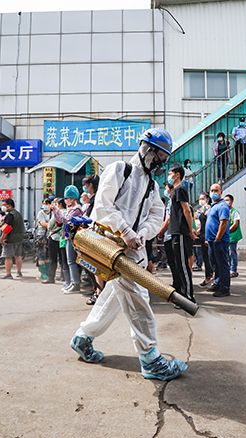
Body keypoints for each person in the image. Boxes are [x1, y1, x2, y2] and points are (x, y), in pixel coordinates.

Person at [71, 127, 189, 381]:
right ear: (147, 150)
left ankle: (83, 338)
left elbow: (157, 215)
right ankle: (151, 359)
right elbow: (103, 205)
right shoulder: (119, 170)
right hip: (110, 248)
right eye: (160, 157)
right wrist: (124, 230)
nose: (161, 163)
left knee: (113, 298)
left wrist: (143, 233)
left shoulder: (152, 185)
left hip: (133, 251)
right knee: (138, 300)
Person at [167, 165, 196, 302]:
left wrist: (190, 230)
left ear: (177, 175)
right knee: (179, 264)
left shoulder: (180, 189)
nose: (169, 176)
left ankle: (189, 296)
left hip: (181, 232)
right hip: (175, 232)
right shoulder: (176, 191)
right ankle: (184, 294)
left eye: (170, 173)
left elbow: (187, 211)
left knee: (184, 266)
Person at [53, 185, 84, 294]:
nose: (65, 200)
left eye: (67, 198)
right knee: (70, 261)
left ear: (73, 198)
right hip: (68, 236)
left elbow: (65, 220)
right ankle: (73, 282)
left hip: (73, 237)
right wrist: (56, 211)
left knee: (71, 261)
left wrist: (57, 210)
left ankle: (76, 283)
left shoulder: (76, 209)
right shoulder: (71, 209)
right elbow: (60, 220)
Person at [205, 183, 231, 297]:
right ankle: (217, 283)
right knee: (215, 264)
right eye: (212, 190)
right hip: (211, 241)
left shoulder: (223, 206)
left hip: (219, 241)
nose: (213, 193)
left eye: (216, 190)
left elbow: (223, 222)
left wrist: (217, 238)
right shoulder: (213, 206)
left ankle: (224, 288)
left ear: (221, 192)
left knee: (222, 264)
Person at [0, 198, 25, 279]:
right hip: (19, 238)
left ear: (9, 205)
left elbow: (7, 228)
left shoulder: (10, 215)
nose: (2, 207)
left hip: (10, 239)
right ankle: (19, 272)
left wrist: (2, 238)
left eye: (4, 205)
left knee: (8, 257)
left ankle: (8, 274)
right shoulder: (18, 214)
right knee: (18, 255)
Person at [196, 193, 214, 287]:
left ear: (207, 199)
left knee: (210, 259)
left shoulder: (209, 209)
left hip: (208, 237)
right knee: (206, 258)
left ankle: (212, 278)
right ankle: (208, 277)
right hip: (202, 236)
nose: (201, 200)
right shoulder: (201, 210)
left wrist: (208, 237)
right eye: (200, 199)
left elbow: (209, 225)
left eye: (202, 198)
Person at [224, 194, 242, 278]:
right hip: (226, 235)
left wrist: (226, 231)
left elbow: (235, 224)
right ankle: (228, 269)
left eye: (227, 200)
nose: (226, 202)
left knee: (232, 253)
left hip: (232, 235)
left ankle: (233, 270)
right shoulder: (225, 211)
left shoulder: (235, 212)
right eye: (225, 200)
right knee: (227, 253)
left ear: (232, 201)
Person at [34, 199, 51, 281]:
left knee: (47, 256)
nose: (44, 205)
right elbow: (42, 223)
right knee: (41, 256)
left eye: (46, 203)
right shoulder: (41, 213)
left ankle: (47, 273)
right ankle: (43, 274)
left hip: (49, 236)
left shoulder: (52, 213)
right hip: (41, 236)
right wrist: (51, 225)